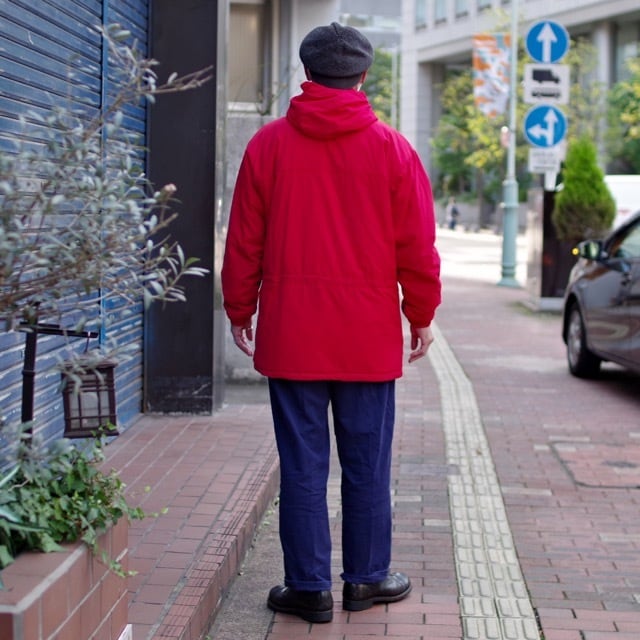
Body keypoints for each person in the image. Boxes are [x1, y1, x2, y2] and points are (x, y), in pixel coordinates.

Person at [221, 22, 441, 624]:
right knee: (368, 463)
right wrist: (420, 315)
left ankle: (309, 587)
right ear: (363, 76)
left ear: (306, 74)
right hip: (366, 340)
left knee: (302, 463)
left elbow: (243, 242)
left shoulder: (268, 146)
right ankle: (367, 580)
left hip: (293, 334)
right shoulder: (394, 151)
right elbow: (417, 248)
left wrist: (240, 309)